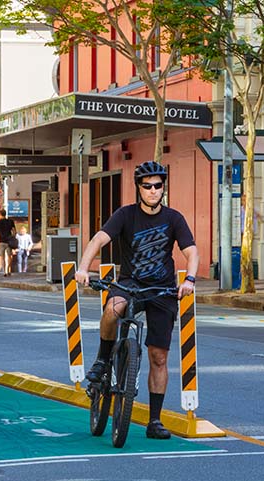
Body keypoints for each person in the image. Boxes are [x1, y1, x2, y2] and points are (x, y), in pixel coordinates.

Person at [75, 160, 199, 440]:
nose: (154, 191)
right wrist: (83, 268)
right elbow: (98, 240)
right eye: (148, 186)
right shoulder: (125, 215)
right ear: (138, 188)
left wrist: (189, 280)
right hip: (130, 283)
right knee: (113, 308)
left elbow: (191, 252)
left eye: (158, 186)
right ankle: (103, 360)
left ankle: (154, 421)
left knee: (159, 356)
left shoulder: (174, 218)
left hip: (163, 290)